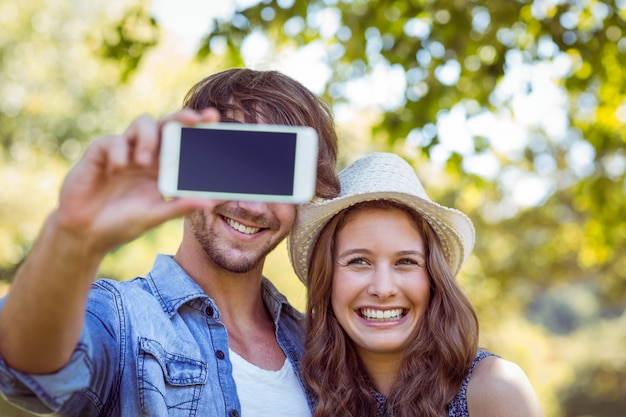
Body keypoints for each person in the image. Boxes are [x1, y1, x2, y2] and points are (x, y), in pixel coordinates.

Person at [0, 68, 340, 417]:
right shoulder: (122, 320)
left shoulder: (317, 345)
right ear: (188, 165)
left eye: (275, 178)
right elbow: (27, 367)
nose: (252, 206)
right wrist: (70, 236)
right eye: (235, 168)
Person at [288, 152, 546, 417]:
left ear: (434, 277)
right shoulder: (300, 390)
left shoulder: (495, 387)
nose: (384, 288)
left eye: (405, 262)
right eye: (359, 261)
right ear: (326, 277)